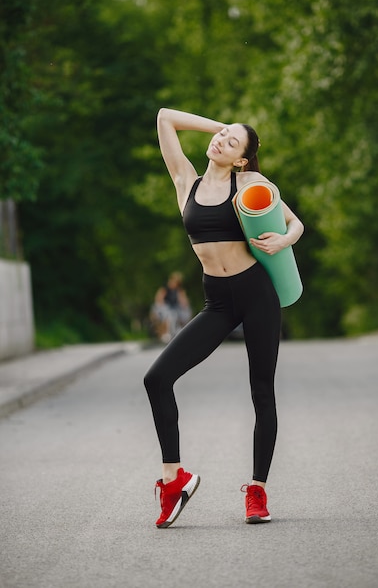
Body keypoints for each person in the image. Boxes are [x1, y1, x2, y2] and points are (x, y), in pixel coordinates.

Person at [144, 108, 304, 528]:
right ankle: (174, 479)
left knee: (261, 391)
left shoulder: (249, 182)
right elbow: (164, 118)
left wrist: (284, 239)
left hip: (256, 295)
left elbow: (294, 222)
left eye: (232, 142)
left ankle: (257, 490)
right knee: (157, 379)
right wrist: (220, 127)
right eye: (222, 135)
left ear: (242, 160)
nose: (221, 140)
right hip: (217, 301)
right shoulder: (186, 181)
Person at [150, 272, 192, 343]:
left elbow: (183, 302)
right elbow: (159, 300)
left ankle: (181, 332)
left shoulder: (178, 290)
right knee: (169, 314)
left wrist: (184, 302)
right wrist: (165, 307)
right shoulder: (165, 289)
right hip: (164, 308)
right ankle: (166, 333)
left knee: (184, 313)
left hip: (175, 308)